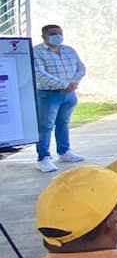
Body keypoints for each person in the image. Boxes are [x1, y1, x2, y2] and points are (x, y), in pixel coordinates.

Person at [32, 24, 86, 172]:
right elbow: (39, 74)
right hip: (48, 94)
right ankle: (43, 158)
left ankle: (64, 152)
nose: (57, 36)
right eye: (53, 33)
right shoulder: (37, 52)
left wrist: (74, 83)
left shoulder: (69, 50)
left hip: (69, 94)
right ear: (44, 36)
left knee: (63, 123)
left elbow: (81, 67)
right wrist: (64, 84)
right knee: (46, 126)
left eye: (59, 33)